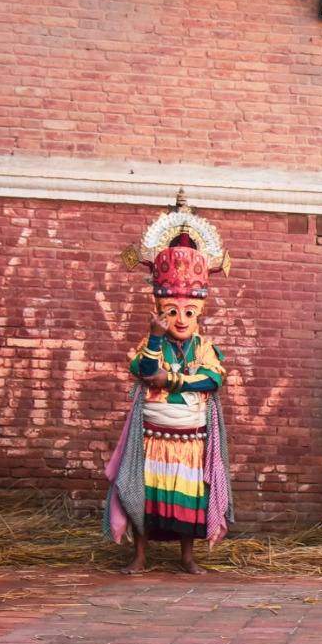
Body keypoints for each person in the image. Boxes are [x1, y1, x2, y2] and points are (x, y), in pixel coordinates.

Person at [104, 198, 234, 576]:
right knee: (145, 496)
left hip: (190, 443)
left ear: (200, 313)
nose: (179, 319)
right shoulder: (152, 343)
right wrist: (155, 338)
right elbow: (144, 371)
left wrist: (172, 379)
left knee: (190, 499)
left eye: (188, 312)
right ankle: (140, 557)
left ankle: (187, 557)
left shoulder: (206, 347)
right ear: (159, 311)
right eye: (171, 311)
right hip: (152, 439)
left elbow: (214, 379)